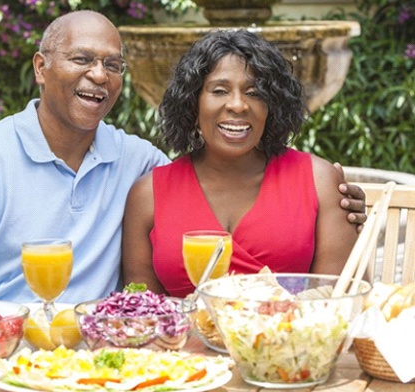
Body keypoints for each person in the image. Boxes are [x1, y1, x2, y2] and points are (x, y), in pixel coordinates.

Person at [0, 12, 365, 305]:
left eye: (112, 65)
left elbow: (209, 173)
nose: (98, 74)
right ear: (40, 68)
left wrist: (342, 200)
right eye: (82, 59)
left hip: (104, 353)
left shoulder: (135, 161)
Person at [122, 29, 360, 298]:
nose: (238, 105)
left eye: (254, 92)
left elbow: (339, 301)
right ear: (192, 103)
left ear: (272, 105)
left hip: (292, 337)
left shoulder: (319, 181)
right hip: (181, 340)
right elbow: (143, 313)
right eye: (220, 90)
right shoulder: (148, 195)